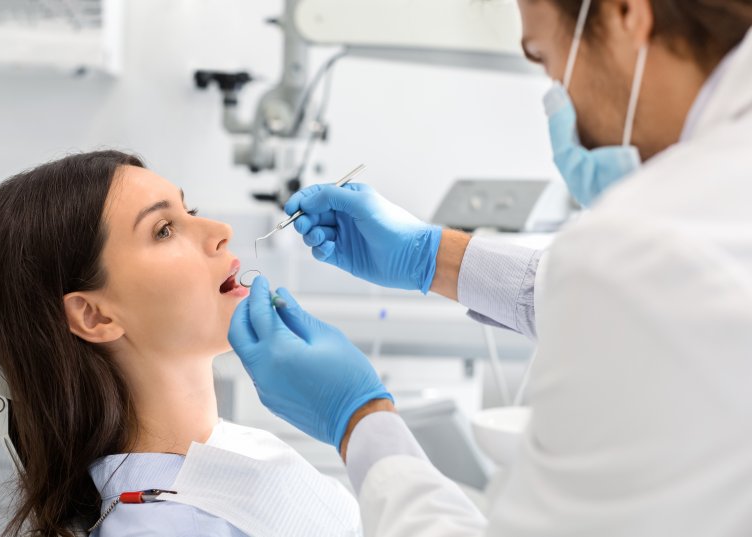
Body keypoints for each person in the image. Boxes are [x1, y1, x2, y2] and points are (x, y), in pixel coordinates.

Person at [229, 0, 752, 535]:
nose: (559, 97)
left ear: (625, 14)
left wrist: (359, 421)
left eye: (546, 59)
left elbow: (633, 290)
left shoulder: (650, 249)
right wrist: (432, 257)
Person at [0, 151, 360, 537]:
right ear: (94, 315)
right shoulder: (167, 527)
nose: (222, 232)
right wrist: (366, 416)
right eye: (164, 230)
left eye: (191, 212)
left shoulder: (224, 450)